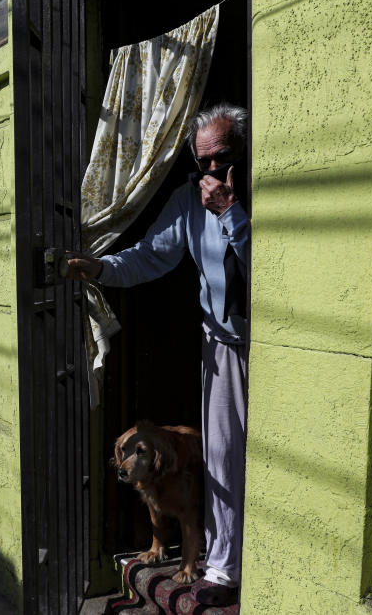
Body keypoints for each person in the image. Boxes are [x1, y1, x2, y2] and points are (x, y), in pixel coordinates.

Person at [67, 103, 250, 606]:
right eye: (203, 161)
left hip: (281, 339)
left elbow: (268, 268)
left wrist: (232, 214)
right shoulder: (190, 200)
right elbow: (152, 255)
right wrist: (100, 269)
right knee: (224, 456)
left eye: (225, 157)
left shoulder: (261, 192)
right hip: (224, 342)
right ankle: (224, 569)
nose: (213, 171)